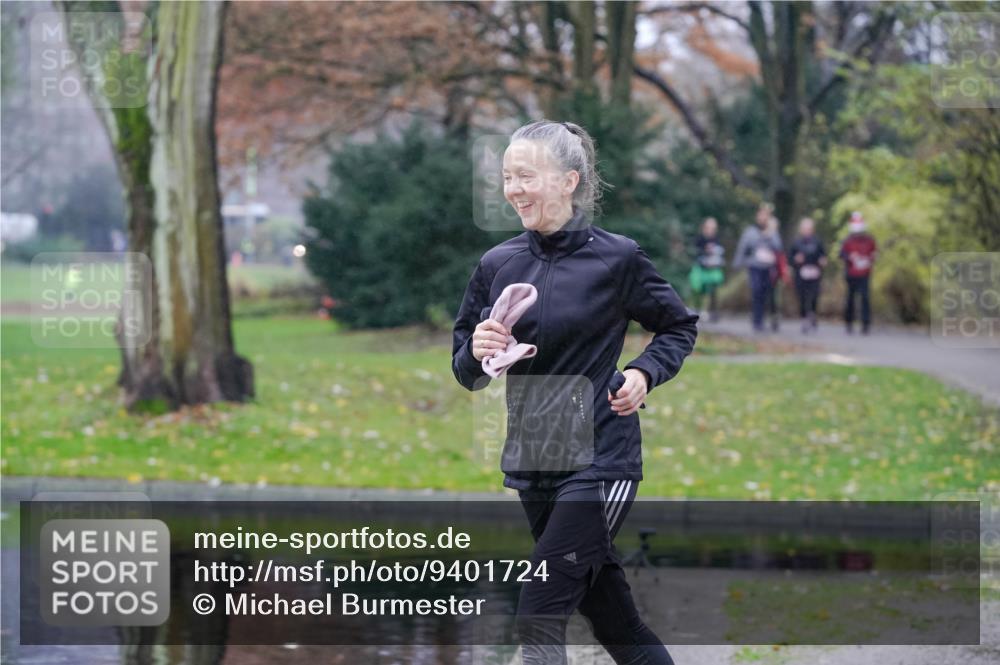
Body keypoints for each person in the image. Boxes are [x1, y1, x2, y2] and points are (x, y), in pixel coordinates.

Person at [451, 120, 697, 665]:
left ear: (568, 180)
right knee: (615, 619)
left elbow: (678, 327)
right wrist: (478, 347)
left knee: (538, 609)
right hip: (533, 459)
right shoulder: (498, 265)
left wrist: (644, 372)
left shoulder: (618, 258)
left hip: (600, 458)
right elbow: (467, 371)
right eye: (507, 177)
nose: (513, 189)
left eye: (526, 176)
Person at [732, 202, 783, 332]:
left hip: (769, 268)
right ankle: (757, 320)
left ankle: (765, 319)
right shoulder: (750, 232)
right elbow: (742, 248)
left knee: (766, 294)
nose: (763, 218)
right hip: (755, 267)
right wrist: (738, 263)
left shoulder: (773, 232)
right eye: (761, 215)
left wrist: (772, 232)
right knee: (756, 291)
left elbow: (778, 248)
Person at [839, 211, 878, 335]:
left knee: (865, 298)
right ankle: (849, 322)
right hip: (851, 274)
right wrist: (850, 257)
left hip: (865, 273)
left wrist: (870, 258)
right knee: (850, 298)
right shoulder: (847, 240)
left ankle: (865, 324)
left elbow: (874, 253)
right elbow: (842, 254)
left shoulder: (869, 240)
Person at [787, 217, 827, 333]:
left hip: (815, 273)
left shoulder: (818, 242)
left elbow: (823, 255)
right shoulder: (796, 243)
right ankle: (804, 318)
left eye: (809, 228)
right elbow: (790, 259)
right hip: (801, 274)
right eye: (805, 228)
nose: (807, 231)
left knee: (814, 296)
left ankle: (812, 314)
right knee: (802, 297)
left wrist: (822, 261)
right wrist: (795, 260)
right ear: (801, 230)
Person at [689, 217, 725, 322]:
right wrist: (704, 252)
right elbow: (695, 252)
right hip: (701, 269)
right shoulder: (699, 238)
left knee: (713, 290)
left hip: (713, 269)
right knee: (698, 289)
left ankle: (712, 312)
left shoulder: (716, 238)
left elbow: (720, 252)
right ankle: (697, 309)